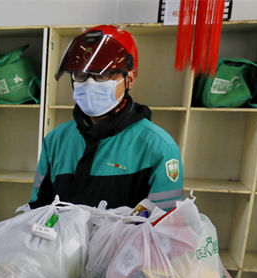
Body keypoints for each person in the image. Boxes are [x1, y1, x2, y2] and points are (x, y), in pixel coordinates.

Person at [30, 25, 184, 210]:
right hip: (61, 239)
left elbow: (164, 228)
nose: (89, 83)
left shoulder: (158, 148)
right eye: (81, 75)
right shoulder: (56, 140)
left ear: (130, 78)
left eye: (102, 75)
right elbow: (38, 209)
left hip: (126, 240)